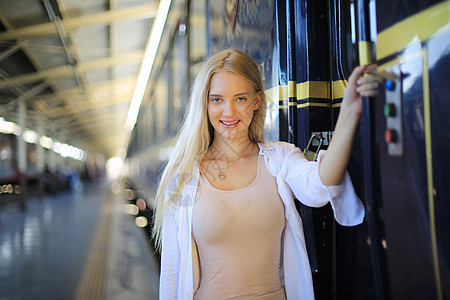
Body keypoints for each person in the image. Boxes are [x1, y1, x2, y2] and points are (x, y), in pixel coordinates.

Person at [152, 49, 378, 299]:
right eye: (217, 99)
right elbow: (172, 273)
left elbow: (319, 188)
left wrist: (349, 113)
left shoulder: (278, 159)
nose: (228, 112)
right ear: (204, 104)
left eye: (240, 99)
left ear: (257, 101)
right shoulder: (182, 180)